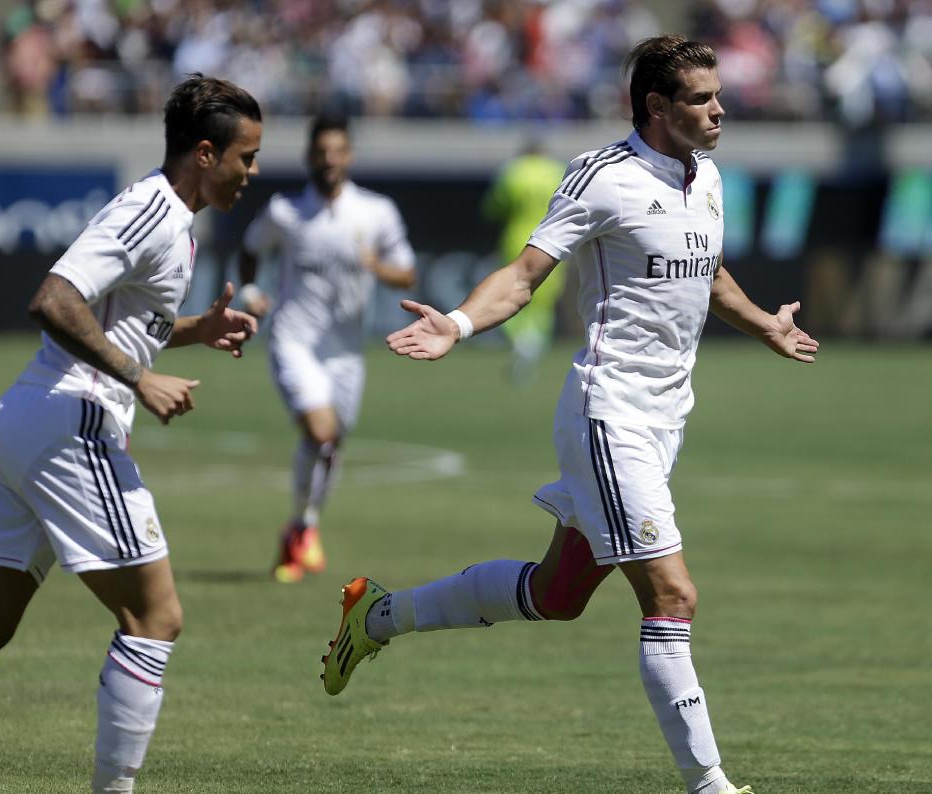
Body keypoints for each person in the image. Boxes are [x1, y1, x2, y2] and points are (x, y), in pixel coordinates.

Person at [322, 35, 820, 794]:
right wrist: (456, 324)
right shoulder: (603, 178)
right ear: (657, 107)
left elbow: (710, 276)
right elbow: (525, 277)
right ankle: (711, 785)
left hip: (663, 422)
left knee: (557, 597)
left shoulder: (708, 178)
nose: (720, 109)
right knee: (674, 597)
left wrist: (767, 326)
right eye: (701, 99)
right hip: (608, 415)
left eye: (719, 95)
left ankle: (379, 616)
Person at [0, 75, 262, 793]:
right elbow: (53, 298)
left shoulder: (172, 223)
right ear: (205, 152)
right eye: (245, 158)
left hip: (23, 426)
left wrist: (197, 330)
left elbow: (119, 318)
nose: (250, 174)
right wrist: (139, 378)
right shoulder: (152, 213)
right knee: (155, 617)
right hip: (71, 426)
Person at [238, 113, 416, 584]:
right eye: (321, 152)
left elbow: (407, 273)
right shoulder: (285, 211)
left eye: (337, 151)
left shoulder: (375, 212)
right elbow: (251, 247)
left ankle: (301, 526)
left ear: (349, 155)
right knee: (320, 433)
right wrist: (250, 290)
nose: (329, 160)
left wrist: (375, 265)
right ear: (309, 157)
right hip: (293, 340)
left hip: (346, 353)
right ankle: (304, 531)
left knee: (331, 442)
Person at [481, 138, 567, 384]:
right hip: (554, 241)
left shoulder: (513, 171)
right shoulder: (557, 171)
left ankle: (521, 340)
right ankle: (533, 344)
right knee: (543, 303)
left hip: (517, 239)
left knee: (511, 294)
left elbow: (495, 207)